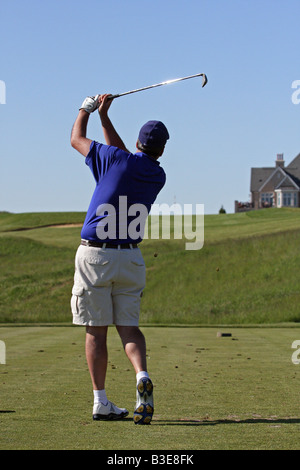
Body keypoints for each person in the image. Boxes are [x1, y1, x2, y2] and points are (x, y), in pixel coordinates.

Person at [70, 94, 169, 424]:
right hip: (131, 260)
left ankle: (101, 401)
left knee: (96, 332)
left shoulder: (114, 160)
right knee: (129, 329)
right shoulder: (157, 176)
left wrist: (87, 109)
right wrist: (105, 118)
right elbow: (126, 157)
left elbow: (76, 139)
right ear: (162, 150)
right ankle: (141, 376)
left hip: (96, 255)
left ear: (139, 142)